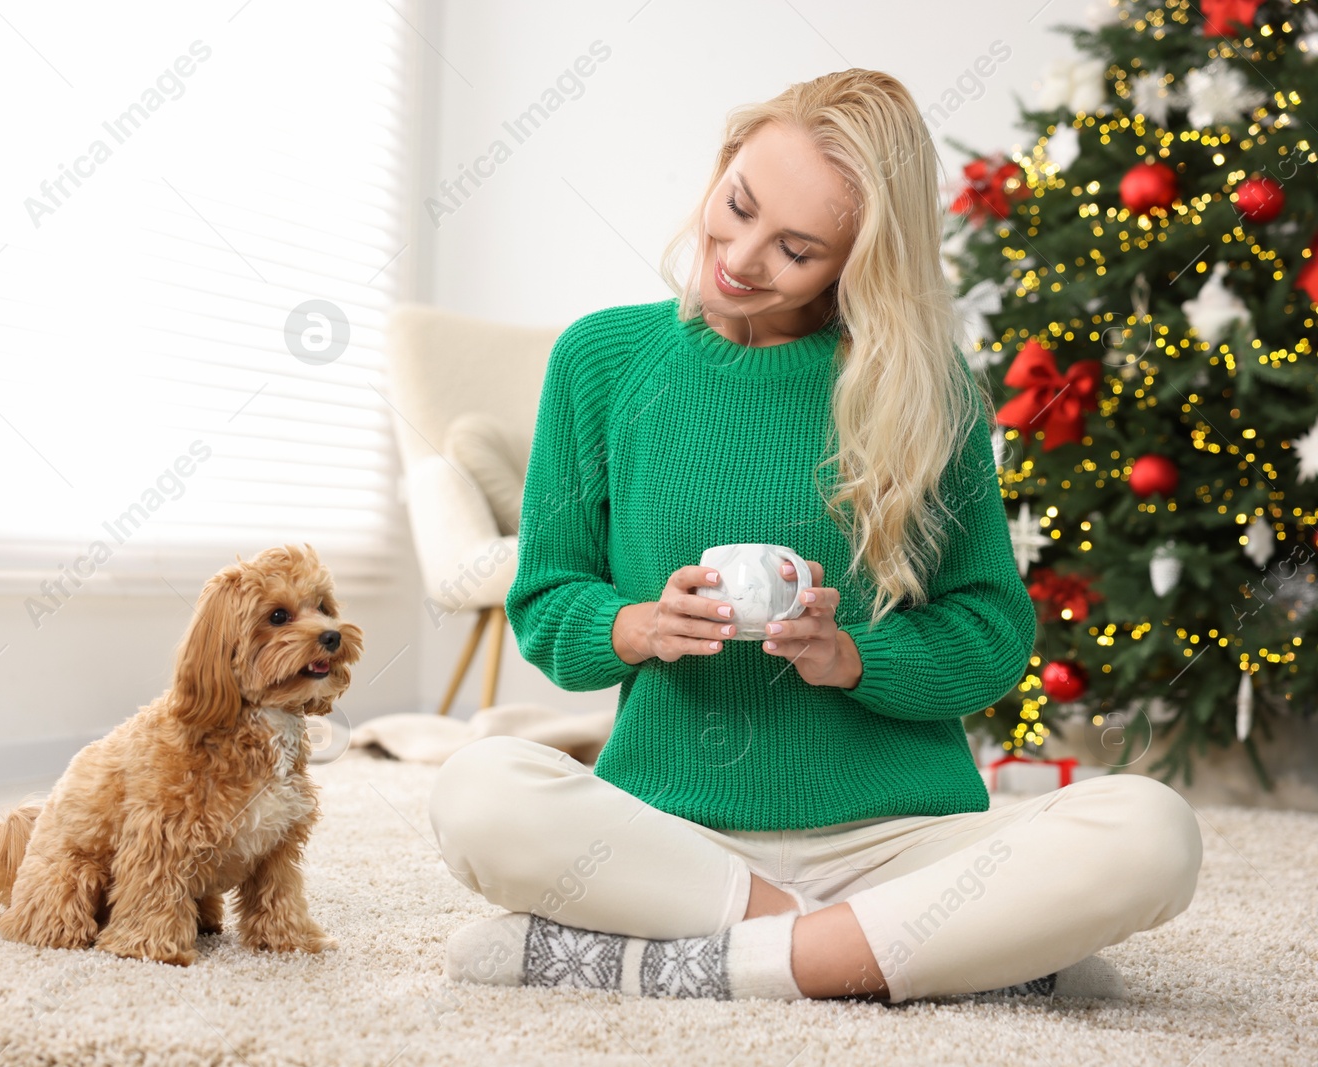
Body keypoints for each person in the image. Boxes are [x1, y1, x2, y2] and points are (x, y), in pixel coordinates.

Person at [426, 68, 1202, 1004]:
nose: (741, 258)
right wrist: (639, 625)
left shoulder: (925, 388)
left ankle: (695, 964)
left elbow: (993, 635)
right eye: (737, 205)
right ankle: (901, 956)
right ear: (722, 167)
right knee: (475, 791)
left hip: (899, 841)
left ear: (857, 261)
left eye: (795, 248)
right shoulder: (599, 361)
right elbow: (548, 600)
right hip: (678, 835)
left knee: (1153, 830)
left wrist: (853, 656)